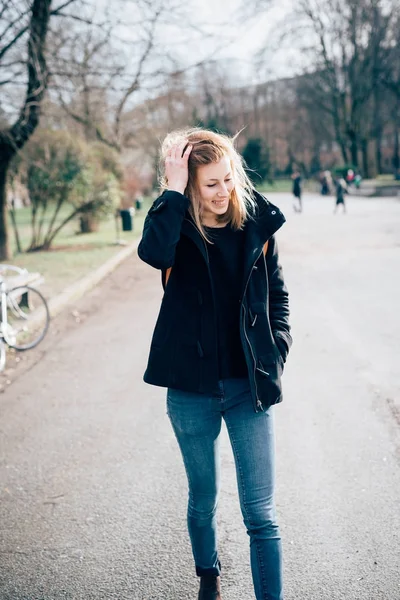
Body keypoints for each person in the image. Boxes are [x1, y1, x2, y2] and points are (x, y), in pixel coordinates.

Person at [138, 127, 292, 600]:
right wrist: (170, 189)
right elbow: (152, 253)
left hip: (249, 385)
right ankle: (209, 574)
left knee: (261, 514)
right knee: (203, 499)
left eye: (228, 178)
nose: (223, 191)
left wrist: (277, 349)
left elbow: (278, 297)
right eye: (210, 183)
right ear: (190, 186)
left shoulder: (257, 226)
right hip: (191, 390)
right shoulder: (175, 226)